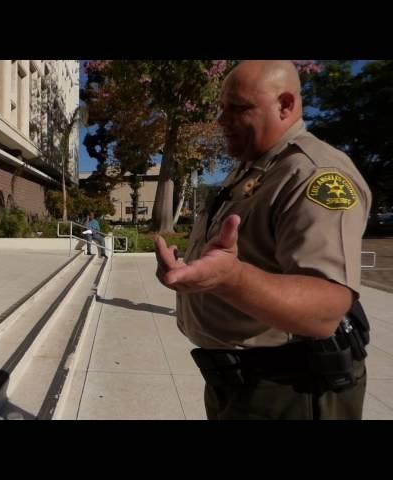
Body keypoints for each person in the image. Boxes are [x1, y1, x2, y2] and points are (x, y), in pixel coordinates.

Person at [154, 60, 372, 420]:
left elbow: (325, 309)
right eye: (222, 108)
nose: (222, 120)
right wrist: (194, 274)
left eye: (238, 108)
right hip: (239, 383)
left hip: (290, 391)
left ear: (285, 105)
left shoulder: (316, 174)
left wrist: (231, 279)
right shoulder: (252, 167)